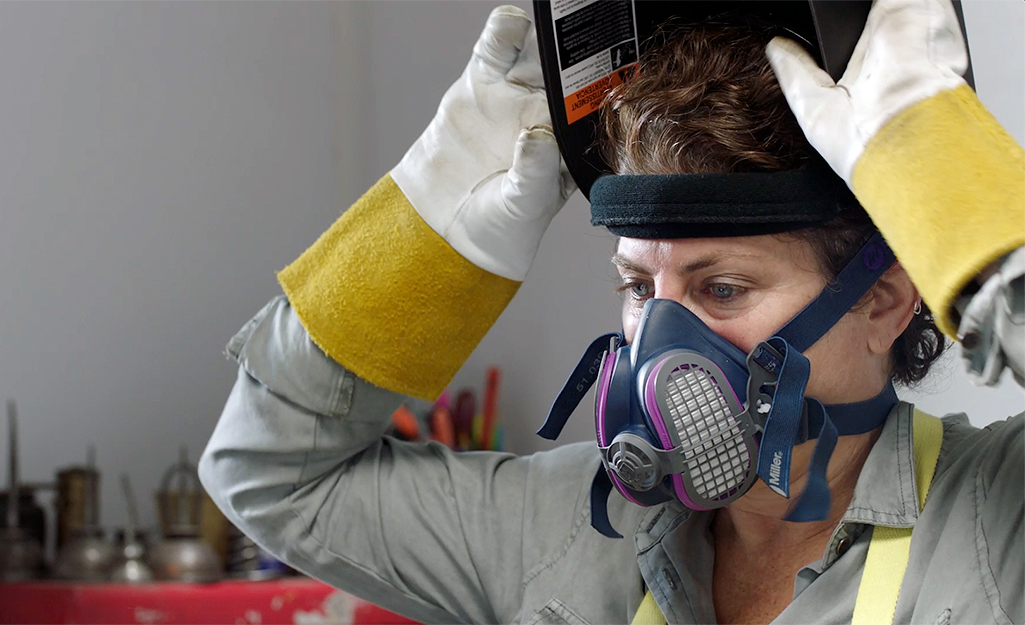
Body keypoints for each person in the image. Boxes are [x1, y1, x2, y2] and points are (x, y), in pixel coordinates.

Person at [199, 1, 1023, 623]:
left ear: (882, 298)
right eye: (638, 288)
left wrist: (950, 194)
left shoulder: (998, 518)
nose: (659, 344)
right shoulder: (564, 525)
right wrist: (429, 225)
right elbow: (272, 475)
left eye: (721, 289)